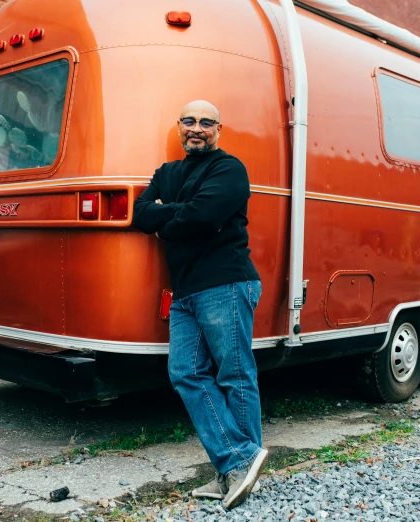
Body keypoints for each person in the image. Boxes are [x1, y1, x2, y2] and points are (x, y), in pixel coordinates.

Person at [132, 100, 266, 510]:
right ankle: (236, 465)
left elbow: (204, 217)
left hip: (226, 282)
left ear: (218, 129)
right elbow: (140, 213)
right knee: (185, 373)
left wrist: (167, 221)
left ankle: (237, 472)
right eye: (189, 121)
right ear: (179, 127)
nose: (197, 128)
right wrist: (178, 218)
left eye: (206, 122)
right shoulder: (167, 173)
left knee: (234, 373)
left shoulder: (229, 169)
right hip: (186, 290)